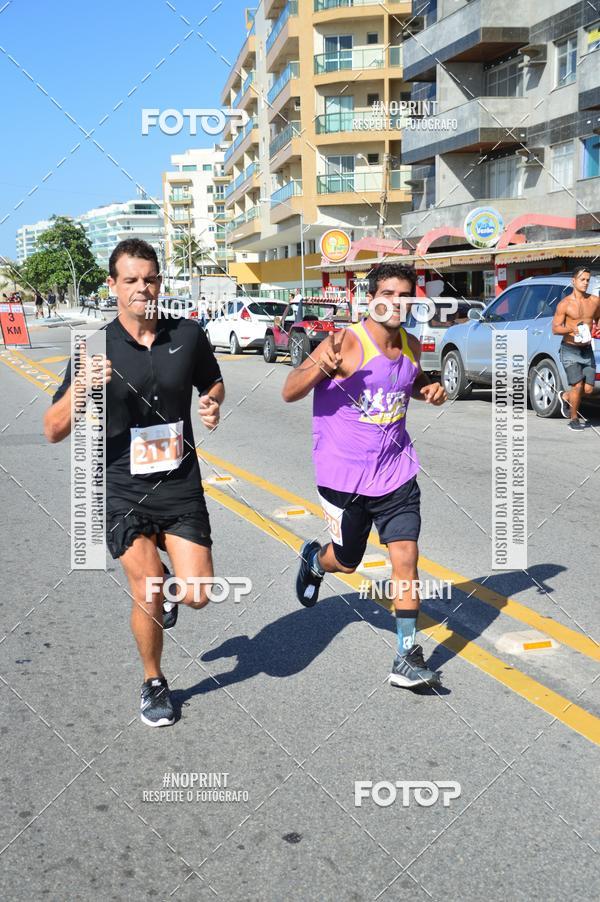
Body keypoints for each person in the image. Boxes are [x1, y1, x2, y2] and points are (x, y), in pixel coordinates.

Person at [43, 239, 225, 727]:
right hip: (122, 486)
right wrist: (83, 386)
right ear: (113, 285)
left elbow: (211, 382)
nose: (142, 288)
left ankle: (172, 588)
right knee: (146, 587)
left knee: (198, 594)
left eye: (150, 279)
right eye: (131, 280)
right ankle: (153, 681)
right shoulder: (95, 347)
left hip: (179, 483)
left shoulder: (187, 334)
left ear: (159, 282)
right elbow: (53, 430)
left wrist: (211, 401)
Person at [282, 263, 447, 689]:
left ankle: (407, 654)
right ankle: (315, 561)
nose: (396, 302)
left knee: (406, 559)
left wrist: (427, 387)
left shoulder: (410, 342)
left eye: (405, 295)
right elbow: (289, 390)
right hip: (345, 478)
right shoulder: (345, 342)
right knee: (348, 561)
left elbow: (407, 379)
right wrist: (322, 366)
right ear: (370, 298)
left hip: (396, 473)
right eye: (388, 293)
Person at [552, 265, 600, 431]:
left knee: (587, 389)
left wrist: (598, 326)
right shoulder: (564, 304)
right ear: (574, 281)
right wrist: (571, 329)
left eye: (588, 280)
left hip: (587, 350)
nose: (585, 283)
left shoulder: (594, 301)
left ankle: (565, 396)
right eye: (582, 279)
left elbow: (598, 317)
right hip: (569, 349)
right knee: (578, 386)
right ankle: (574, 419)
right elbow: (556, 328)